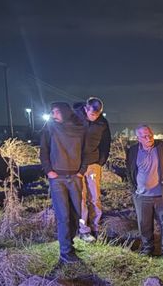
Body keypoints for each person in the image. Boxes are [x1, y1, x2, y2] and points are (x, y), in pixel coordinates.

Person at [39, 102, 87, 264]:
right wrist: (49, 171)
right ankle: (65, 252)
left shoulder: (80, 128)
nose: (53, 115)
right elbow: (44, 151)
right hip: (57, 178)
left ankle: (70, 244)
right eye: (52, 112)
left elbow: (86, 152)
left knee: (75, 214)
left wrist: (81, 171)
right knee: (63, 216)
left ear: (66, 112)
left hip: (75, 177)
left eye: (56, 112)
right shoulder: (50, 129)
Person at [125, 124, 163, 257]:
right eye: (144, 136)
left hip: (161, 193)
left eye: (150, 134)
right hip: (141, 195)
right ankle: (147, 249)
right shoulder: (132, 151)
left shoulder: (162, 147)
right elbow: (129, 170)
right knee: (144, 224)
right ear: (138, 138)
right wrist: (134, 188)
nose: (149, 138)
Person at [75, 97, 111, 242]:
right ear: (86, 108)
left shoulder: (102, 122)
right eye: (92, 114)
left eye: (98, 114)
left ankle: (96, 227)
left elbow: (106, 142)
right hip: (76, 165)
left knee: (95, 197)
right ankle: (83, 230)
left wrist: (100, 161)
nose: (95, 117)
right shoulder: (75, 118)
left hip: (93, 165)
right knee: (80, 198)